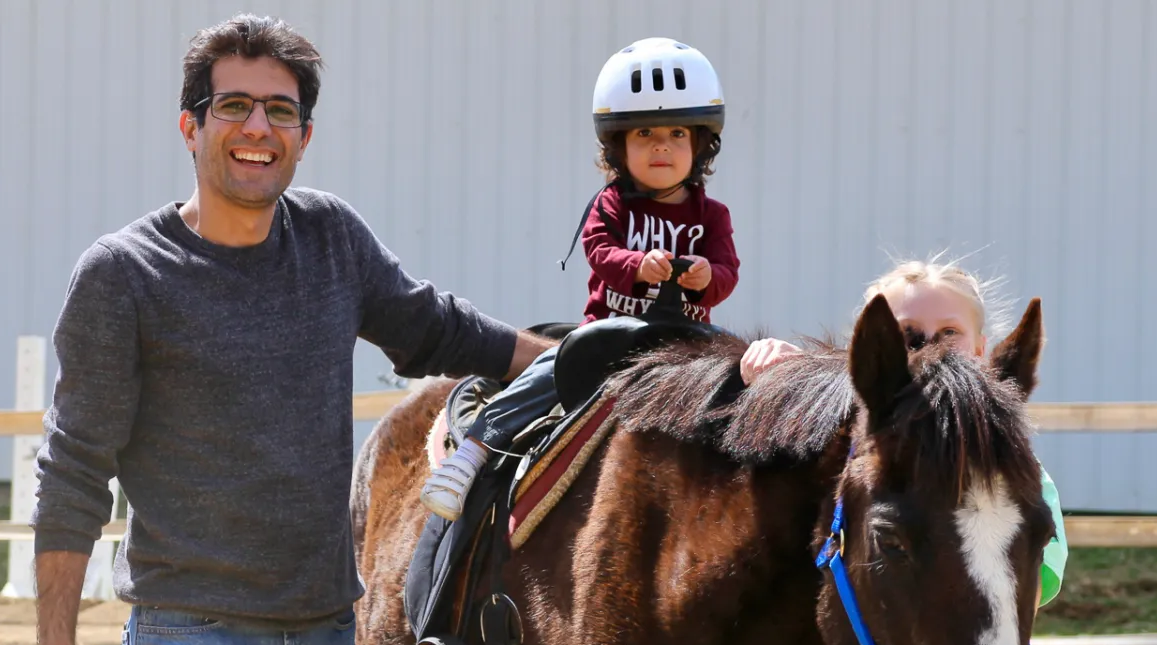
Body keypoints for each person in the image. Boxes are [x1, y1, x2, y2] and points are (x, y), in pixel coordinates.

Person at [29, 14, 554, 645]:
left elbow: (439, 328)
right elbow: (72, 473)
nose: (258, 128)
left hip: (325, 642)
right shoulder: (124, 275)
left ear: (303, 137)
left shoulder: (331, 237)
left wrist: (581, 356)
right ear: (190, 127)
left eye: (280, 111)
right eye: (234, 106)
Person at [417, 37, 741, 522]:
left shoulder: (713, 215)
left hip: (687, 347)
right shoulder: (611, 204)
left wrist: (707, 275)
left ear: (700, 144)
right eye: (644, 133)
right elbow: (600, 251)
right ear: (617, 146)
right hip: (609, 341)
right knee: (544, 375)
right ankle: (473, 452)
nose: (661, 145)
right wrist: (637, 265)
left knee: (746, 387)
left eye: (677, 133)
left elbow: (727, 271)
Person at [739, 257, 1070, 613]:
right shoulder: (842, 427)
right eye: (907, 331)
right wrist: (783, 372)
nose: (930, 346)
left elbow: (1028, 585)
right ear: (874, 347)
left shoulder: (1006, 463)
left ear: (979, 349)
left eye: (949, 333)